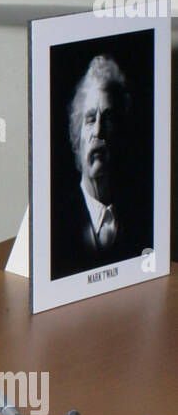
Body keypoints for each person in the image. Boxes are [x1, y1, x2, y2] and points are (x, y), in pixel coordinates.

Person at [51, 53, 148, 279]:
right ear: (77, 137)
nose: (98, 131)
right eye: (90, 119)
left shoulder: (142, 217)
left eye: (108, 118)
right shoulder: (56, 223)